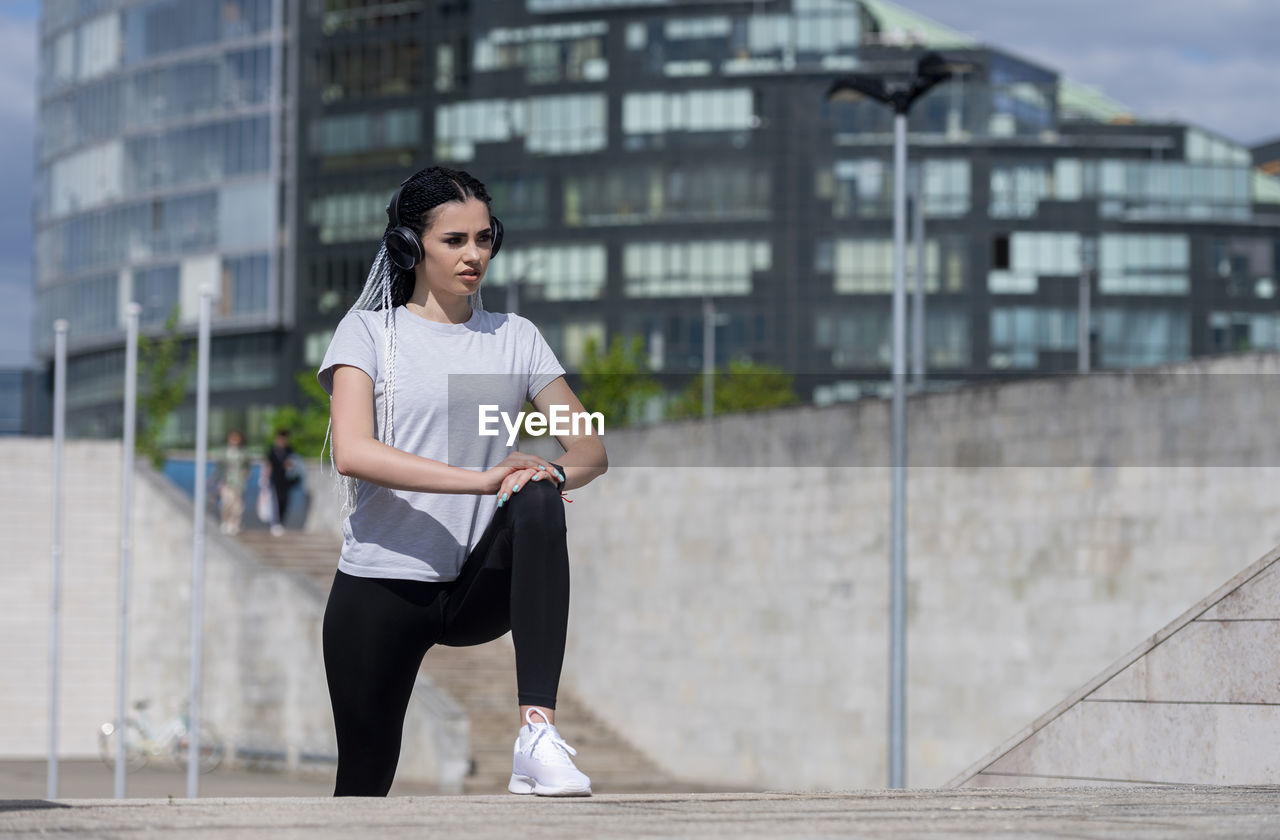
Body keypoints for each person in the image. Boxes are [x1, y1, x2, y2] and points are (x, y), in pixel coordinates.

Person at [317, 166, 608, 798]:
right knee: (362, 786)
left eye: (484, 238)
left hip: (476, 584)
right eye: (455, 241)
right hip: (381, 586)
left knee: (537, 491)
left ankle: (536, 735)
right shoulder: (368, 333)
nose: (474, 255)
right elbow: (352, 451)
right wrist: (480, 481)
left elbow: (590, 447)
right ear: (408, 246)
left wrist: (549, 469)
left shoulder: (517, 338)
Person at [264, 428, 300, 536]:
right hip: (275, 480)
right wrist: (265, 479)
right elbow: (268, 465)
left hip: (287, 481)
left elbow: (294, 463)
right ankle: (275, 523)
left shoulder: (289, 450)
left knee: (285, 501)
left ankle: (281, 523)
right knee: (276, 501)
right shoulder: (272, 451)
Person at [216, 429, 250, 535]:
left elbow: (247, 466)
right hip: (226, 481)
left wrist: (245, 476)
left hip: (238, 482)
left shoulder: (243, 453)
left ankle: (235, 524)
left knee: (237, 506)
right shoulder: (225, 452)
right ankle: (225, 522)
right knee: (227, 502)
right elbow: (220, 467)